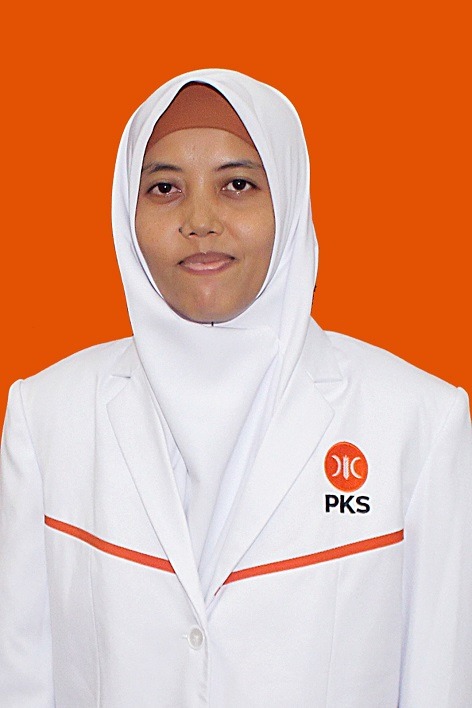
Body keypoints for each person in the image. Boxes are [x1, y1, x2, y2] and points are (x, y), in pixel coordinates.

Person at [0, 69, 470, 707]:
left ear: (290, 202)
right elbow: (20, 675)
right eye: (164, 187)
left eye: (238, 184)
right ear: (126, 212)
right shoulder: (46, 415)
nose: (200, 220)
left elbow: (442, 683)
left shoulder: (418, 422)